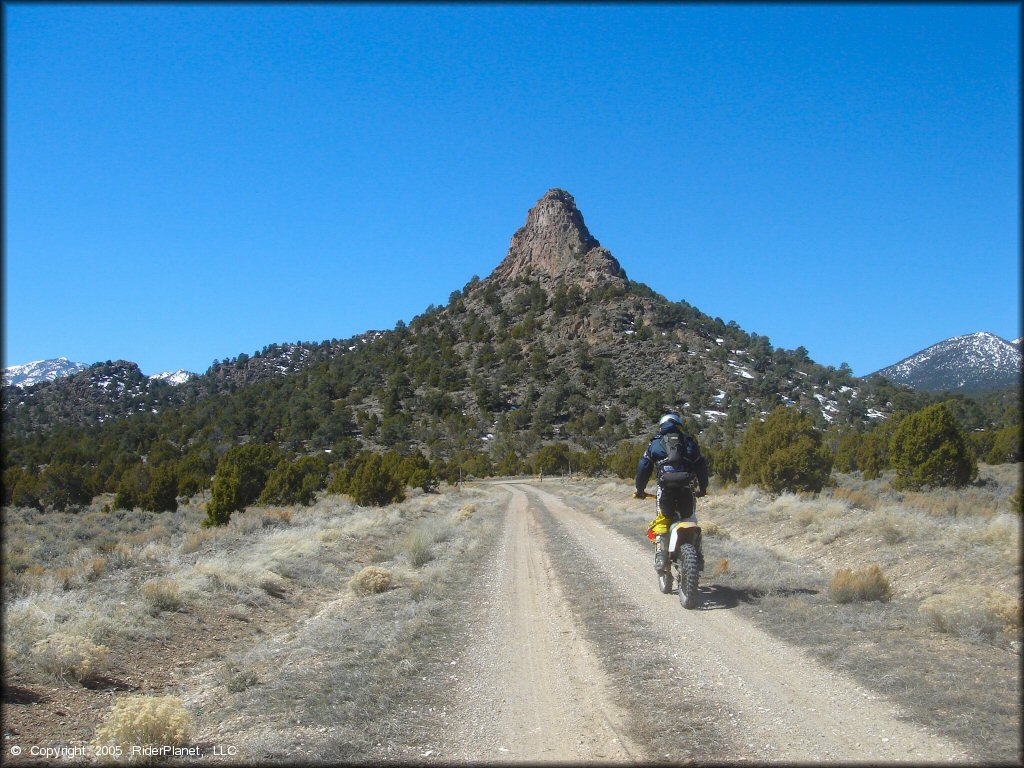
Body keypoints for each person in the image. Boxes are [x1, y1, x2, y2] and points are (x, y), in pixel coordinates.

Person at [633, 412, 709, 573]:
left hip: (665, 489)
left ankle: (661, 553)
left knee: (662, 518)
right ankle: (697, 555)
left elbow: (643, 467)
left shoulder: (655, 443)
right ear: (679, 425)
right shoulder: (688, 442)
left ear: (661, 426)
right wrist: (703, 488)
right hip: (687, 489)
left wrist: (640, 490)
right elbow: (701, 466)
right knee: (690, 519)